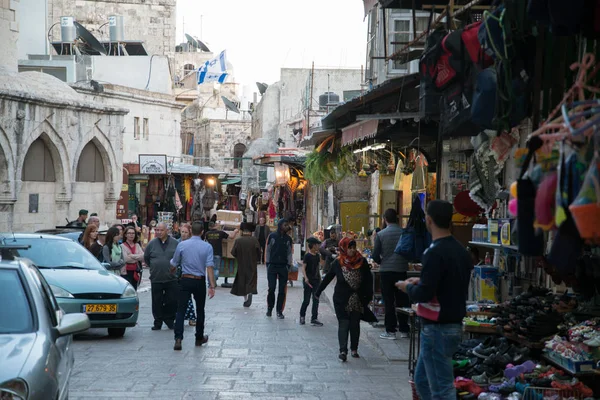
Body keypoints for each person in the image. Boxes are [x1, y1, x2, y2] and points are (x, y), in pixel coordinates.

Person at [396, 200, 472, 400]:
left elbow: (424, 294)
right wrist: (422, 280)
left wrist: (408, 287)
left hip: (438, 328)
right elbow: (448, 282)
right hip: (450, 325)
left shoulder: (433, 252)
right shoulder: (460, 251)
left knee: (442, 388)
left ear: (428, 220)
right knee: (422, 380)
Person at [315, 237, 376, 361]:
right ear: (344, 248)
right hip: (341, 299)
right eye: (350, 248)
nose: (352, 250)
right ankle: (343, 351)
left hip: (357, 299)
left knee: (354, 324)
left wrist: (368, 297)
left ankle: (354, 349)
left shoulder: (362, 261)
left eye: (354, 248)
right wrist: (318, 292)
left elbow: (368, 281)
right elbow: (328, 278)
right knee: (344, 323)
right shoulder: (338, 262)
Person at [170, 221, 216, 351]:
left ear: (191, 231)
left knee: (181, 309)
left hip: (185, 279)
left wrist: (171, 272)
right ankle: (198, 337)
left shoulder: (182, 245)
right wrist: (212, 286)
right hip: (199, 280)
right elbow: (209, 267)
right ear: (202, 232)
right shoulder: (207, 247)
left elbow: (174, 263)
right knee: (200, 310)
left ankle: (178, 338)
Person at [373, 208, 410, 340]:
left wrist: (382, 261)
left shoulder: (381, 234)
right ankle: (404, 329)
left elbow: (375, 255)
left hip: (386, 272)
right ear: (397, 219)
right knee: (402, 301)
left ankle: (390, 331)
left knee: (389, 301)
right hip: (401, 270)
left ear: (385, 219)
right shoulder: (404, 233)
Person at [144, 222, 179, 331]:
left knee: (172, 300)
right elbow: (147, 258)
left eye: (161, 230)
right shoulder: (152, 244)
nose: (158, 232)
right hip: (156, 277)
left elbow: (179, 258)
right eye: (157, 230)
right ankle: (158, 321)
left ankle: (169, 319)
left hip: (171, 278)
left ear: (167, 231)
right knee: (156, 301)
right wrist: (155, 266)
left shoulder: (175, 243)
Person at [265, 219, 293, 319]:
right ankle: (269, 308)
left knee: (282, 290)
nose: (287, 227)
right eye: (285, 225)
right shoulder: (272, 236)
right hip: (272, 266)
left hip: (283, 267)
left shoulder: (288, 239)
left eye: (287, 225)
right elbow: (268, 250)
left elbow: (290, 252)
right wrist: (267, 263)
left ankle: (279, 311)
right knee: (271, 288)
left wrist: (288, 265)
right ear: (280, 225)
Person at [230, 222, 261, 307]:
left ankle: (246, 299)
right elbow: (259, 253)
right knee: (251, 280)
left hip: (242, 264)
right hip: (252, 264)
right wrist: (257, 260)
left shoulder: (238, 240)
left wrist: (239, 257)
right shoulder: (254, 240)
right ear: (251, 231)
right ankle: (250, 291)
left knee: (242, 281)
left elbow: (233, 252)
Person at [299, 237, 324, 326]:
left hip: (316, 281)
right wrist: (305, 278)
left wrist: (320, 279)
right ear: (313, 246)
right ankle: (302, 316)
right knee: (306, 300)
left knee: (316, 300)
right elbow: (303, 267)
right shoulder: (307, 256)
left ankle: (314, 318)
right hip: (308, 281)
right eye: (317, 245)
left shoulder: (317, 256)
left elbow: (319, 266)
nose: (318, 246)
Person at [179, 223, 197, 327]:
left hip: (189, 272)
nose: (184, 234)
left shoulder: (192, 243)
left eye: (186, 232)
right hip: (178, 272)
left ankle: (191, 317)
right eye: (182, 232)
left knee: (188, 297)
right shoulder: (176, 242)